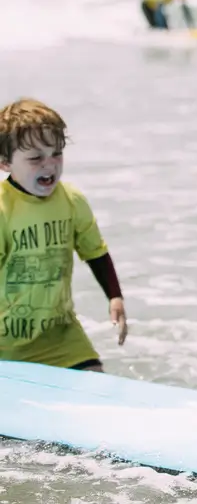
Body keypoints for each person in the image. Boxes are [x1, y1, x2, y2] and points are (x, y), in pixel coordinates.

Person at [0, 98, 128, 372]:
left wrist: (115, 296)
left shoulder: (71, 200)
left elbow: (95, 251)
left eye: (56, 153)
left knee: (96, 390)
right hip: (6, 342)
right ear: (5, 163)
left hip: (62, 336)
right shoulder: (2, 209)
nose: (49, 165)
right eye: (35, 158)